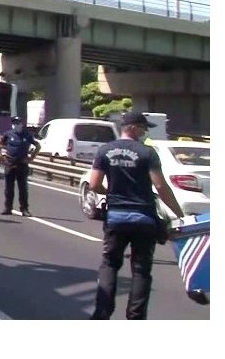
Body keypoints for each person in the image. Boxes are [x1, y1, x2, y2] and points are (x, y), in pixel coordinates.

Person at [87, 111, 186, 320]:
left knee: (110, 265)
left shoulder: (105, 150)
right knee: (141, 271)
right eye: (143, 127)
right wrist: (179, 214)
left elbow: (94, 184)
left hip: (116, 218)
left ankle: (101, 313)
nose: (144, 132)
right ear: (132, 127)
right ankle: (136, 317)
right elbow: (160, 186)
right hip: (144, 218)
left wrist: (112, 193)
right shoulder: (147, 153)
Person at [0, 115, 41, 217]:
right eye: (14, 123)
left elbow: (38, 146)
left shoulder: (27, 135)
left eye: (18, 123)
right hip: (10, 163)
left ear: (21, 124)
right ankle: (8, 208)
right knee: (9, 188)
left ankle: (24, 209)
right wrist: (1, 156)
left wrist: (31, 158)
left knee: (23, 188)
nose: (16, 125)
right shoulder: (8, 134)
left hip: (22, 164)